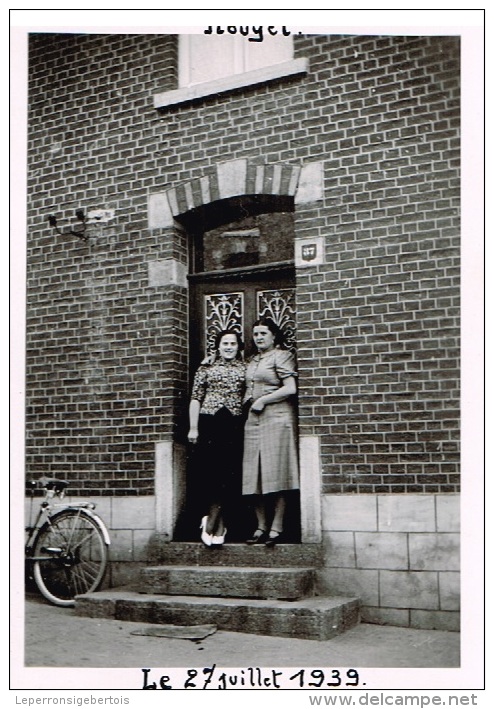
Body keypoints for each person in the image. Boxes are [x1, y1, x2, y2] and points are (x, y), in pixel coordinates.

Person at [242, 317, 299, 547]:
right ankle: (260, 526)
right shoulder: (253, 360)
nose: (259, 337)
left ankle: (277, 527)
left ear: (274, 336)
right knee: (253, 473)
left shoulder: (282, 356)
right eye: (255, 334)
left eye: (263, 333)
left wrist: (264, 400)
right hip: (253, 419)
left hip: (277, 417)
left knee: (277, 471)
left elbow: (290, 388)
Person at [187, 329, 246, 547]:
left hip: (233, 424)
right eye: (225, 343)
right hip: (210, 421)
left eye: (233, 343)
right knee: (212, 474)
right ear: (218, 347)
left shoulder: (245, 368)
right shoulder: (206, 367)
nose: (229, 347)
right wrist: (193, 428)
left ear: (238, 347)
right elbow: (195, 398)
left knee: (228, 476)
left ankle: (215, 521)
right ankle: (214, 521)